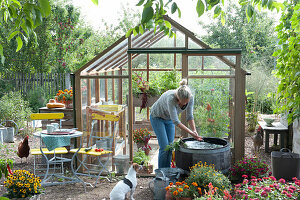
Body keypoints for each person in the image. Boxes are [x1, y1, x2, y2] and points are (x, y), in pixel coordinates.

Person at [150, 79, 202, 168]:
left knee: (170, 147)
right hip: (157, 117)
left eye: (187, 101)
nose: (185, 104)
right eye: (183, 102)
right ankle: (162, 174)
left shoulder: (190, 97)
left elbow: (189, 116)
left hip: (169, 119)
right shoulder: (171, 98)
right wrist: (191, 133)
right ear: (178, 99)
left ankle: (167, 171)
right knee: (164, 147)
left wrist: (194, 130)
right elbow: (176, 121)